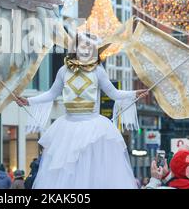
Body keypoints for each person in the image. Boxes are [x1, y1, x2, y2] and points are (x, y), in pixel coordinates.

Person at [15, 33, 148, 189]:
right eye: (82, 45)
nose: (85, 49)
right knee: (67, 172)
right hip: (67, 129)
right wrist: (29, 101)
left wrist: (134, 94)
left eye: (89, 46)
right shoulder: (63, 71)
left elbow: (114, 93)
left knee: (93, 170)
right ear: (74, 48)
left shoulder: (98, 71)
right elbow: (52, 93)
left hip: (93, 129)